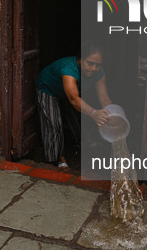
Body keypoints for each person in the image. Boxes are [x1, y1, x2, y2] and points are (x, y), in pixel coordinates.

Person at [36, 42, 112, 170]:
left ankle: (83, 142)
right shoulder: (69, 69)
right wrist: (94, 113)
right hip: (48, 88)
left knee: (77, 116)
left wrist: (112, 114)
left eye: (98, 65)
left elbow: (104, 97)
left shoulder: (99, 73)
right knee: (53, 123)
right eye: (89, 63)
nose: (93, 68)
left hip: (69, 92)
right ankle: (58, 159)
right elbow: (73, 99)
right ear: (80, 59)